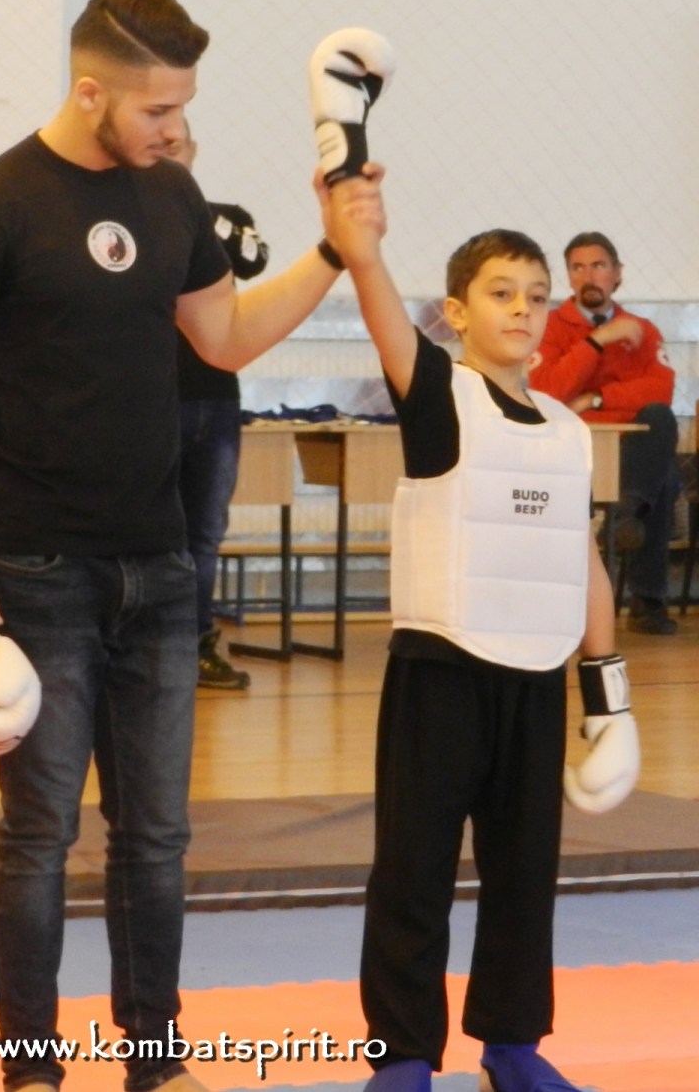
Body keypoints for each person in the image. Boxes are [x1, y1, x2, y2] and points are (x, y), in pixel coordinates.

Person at [0, 0, 378, 1092]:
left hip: (159, 564)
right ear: (91, 92)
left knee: (157, 835)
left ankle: (154, 1061)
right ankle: (32, 1069)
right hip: (39, 566)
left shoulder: (173, 194)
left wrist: (334, 250)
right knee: (39, 834)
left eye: (184, 106)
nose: (177, 128)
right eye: (159, 109)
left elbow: (226, 337)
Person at [322, 170, 641, 1092]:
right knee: (413, 872)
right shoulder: (438, 396)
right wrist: (361, 248)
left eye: (537, 296)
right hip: (442, 671)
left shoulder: (567, 430)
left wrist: (609, 699)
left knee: (525, 874)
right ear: (457, 312)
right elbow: (386, 315)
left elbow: (583, 560)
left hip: (536, 678)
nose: (524, 310)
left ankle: (513, 1045)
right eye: (502, 293)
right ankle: (403, 1054)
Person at [528, 232, 679, 634]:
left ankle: (624, 513)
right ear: (568, 277)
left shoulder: (642, 330)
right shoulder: (550, 326)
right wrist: (597, 341)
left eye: (598, 266)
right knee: (663, 479)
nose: (588, 276)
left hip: (630, 449)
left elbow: (660, 391)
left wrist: (596, 398)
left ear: (617, 274)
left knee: (660, 424)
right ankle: (647, 601)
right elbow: (547, 393)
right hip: (572, 447)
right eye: (577, 268)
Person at [170, 122, 269, 690]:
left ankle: (196, 644)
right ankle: (144, 645)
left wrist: (197, 212)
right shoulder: (124, 220)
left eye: (176, 144)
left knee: (205, 531)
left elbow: (253, 258)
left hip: (216, 399)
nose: (167, 151)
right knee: (150, 529)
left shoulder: (222, 218)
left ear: (192, 151)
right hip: (149, 400)